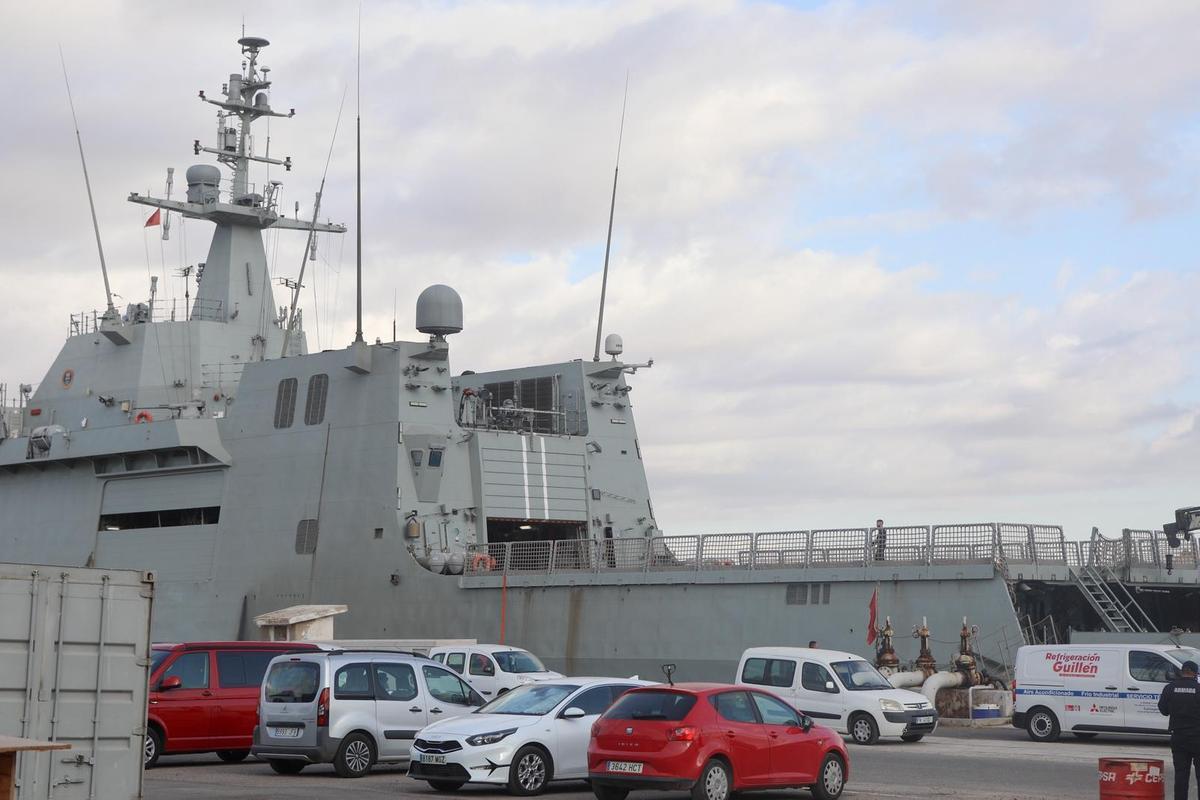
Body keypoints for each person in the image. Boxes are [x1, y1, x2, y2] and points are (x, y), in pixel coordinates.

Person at [1158, 659, 1200, 800]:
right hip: (1197, 737)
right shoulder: (1199, 689)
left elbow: (1163, 710)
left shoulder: (1170, 688)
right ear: (1195, 673)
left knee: (1181, 775)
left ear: (1182, 672)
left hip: (1178, 737)